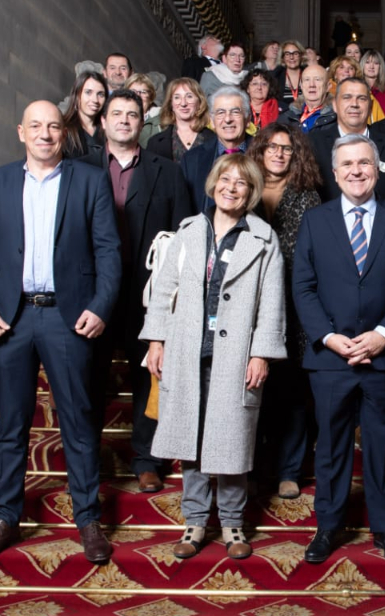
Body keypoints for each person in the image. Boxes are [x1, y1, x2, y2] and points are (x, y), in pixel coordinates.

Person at [0, 100, 121, 565]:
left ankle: (88, 520)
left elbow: (109, 252)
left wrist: (100, 306)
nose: (45, 134)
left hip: (66, 318)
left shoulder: (89, 180)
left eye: (53, 126)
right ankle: (5, 519)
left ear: (63, 133)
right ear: (21, 132)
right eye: (36, 126)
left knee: (77, 420)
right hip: (10, 320)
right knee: (11, 426)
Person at [140, 153, 286, 561]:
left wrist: (262, 353)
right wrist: (156, 341)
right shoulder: (188, 231)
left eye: (241, 183)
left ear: (251, 192)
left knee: (231, 440)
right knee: (190, 439)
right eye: (226, 179)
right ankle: (195, 522)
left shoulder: (263, 238)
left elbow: (271, 302)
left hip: (236, 353)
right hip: (188, 350)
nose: (231, 188)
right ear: (213, 183)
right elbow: (163, 290)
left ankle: (234, 524)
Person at [293, 134, 385, 565]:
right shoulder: (315, 220)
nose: (355, 171)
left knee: (383, 446)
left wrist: (384, 334)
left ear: (378, 169)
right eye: (347, 164)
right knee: (330, 446)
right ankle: (328, 527)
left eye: (364, 163)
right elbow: (303, 287)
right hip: (331, 357)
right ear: (334, 172)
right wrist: (330, 338)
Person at [81, 89, 194, 494]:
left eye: (132, 114)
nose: (125, 120)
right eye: (117, 113)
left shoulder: (167, 171)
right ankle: (86, 457)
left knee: (150, 374)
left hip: (148, 293)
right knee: (89, 376)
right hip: (94, 293)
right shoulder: (79, 168)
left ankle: (147, 458)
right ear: (104, 121)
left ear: (142, 121)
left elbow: (183, 235)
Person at [246, 123, 322, 500]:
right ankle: (256, 465)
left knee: (291, 391)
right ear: (259, 151)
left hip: (293, 306)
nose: (278, 153)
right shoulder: (242, 190)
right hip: (247, 305)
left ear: (296, 155)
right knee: (252, 387)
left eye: (287, 149)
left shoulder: (308, 197)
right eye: (271, 147)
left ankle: (289, 469)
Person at [309, 78, 385, 206]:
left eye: (361, 98)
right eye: (347, 97)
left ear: (371, 106)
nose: (354, 104)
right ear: (334, 105)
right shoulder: (312, 145)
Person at [182, 86, 254, 213]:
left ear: (248, 119)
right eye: (220, 112)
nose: (227, 119)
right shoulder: (191, 159)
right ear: (212, 121)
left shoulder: (264, 155)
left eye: (235, 112)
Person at [147, 78, 212, 163]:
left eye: (189, 96)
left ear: (199, 102)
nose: (183, 103)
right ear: (171, 104)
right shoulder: (155, 143)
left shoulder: (214, 139)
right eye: (177, 97)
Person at [327, 55, 385, 124]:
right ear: (335, 74)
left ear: (355, 74)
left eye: (351, 68)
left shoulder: (369, 97)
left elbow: (381, 124)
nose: (346, 71)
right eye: (341, 67)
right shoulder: (325, 95)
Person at [279, 64, 336, 134]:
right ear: (301, 86)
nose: (311, 85)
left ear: (328, 86)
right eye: (307, 80)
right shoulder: (287, 117)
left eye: (317, 79)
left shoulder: (338, 118)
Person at [62, 71, 107, 158]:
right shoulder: (64, 128)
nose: (95, 100)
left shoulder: (108, 130)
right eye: (88, 92)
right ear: (77, 95)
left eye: (100, 94)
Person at [124, 73, 161, 149]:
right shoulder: (116, 118)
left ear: (150, 97)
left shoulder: (162, 120)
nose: (138, 96)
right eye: (133, 91)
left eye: (144, 92)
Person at [360, 49, 385, 119]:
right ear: (363, 65)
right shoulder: (356, 89)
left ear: (380, 67)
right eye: (367, 62)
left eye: (376, 63)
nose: (371, 66)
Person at [273, 40, 305, 110]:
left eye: (295, 53)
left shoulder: (309, 74)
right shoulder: (276, 76)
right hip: (283, 117)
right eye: (287, 54)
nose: (291, 57)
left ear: (301, 56)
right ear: (282, 58)